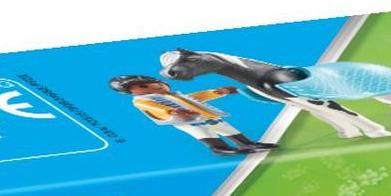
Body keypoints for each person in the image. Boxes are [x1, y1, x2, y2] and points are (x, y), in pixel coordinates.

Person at [108, 75, 274, 156]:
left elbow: (196, 98)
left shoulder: (173, 95)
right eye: (143, 86)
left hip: (206, 115)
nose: (155, 87)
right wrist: (173, 112)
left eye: (157, 83)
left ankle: (247, 143)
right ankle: (221, 148)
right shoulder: (142, 100)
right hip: (186, 121)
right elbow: (154, 108)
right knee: (204, 133)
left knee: (227, 129)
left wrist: (218, 92)